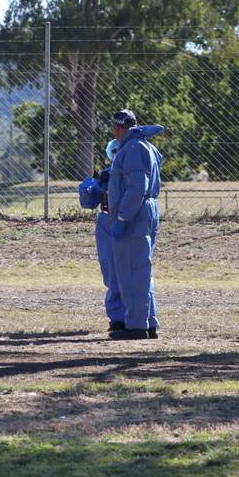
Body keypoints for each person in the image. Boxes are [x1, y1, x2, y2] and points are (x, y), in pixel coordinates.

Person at [107, 109, 164, 340]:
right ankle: (148, 321)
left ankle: (136, 325)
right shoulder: (145, 146)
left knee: (131, 270)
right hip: (146, 212)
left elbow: (136, 187)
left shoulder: (132, 148)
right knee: (141, 269)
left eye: (115, 127)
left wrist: (122, 217)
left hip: (134, 215)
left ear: (120, 128)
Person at [77, 139, 126, 335]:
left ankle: (139, 317)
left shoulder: (140, 171)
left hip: (132, 223)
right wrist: (94, 182)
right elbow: (88, 201)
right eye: (115, 152)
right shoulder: (106, 175)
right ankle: (118, 319)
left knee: (134, 271)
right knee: (112, 270)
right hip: (108, 222)